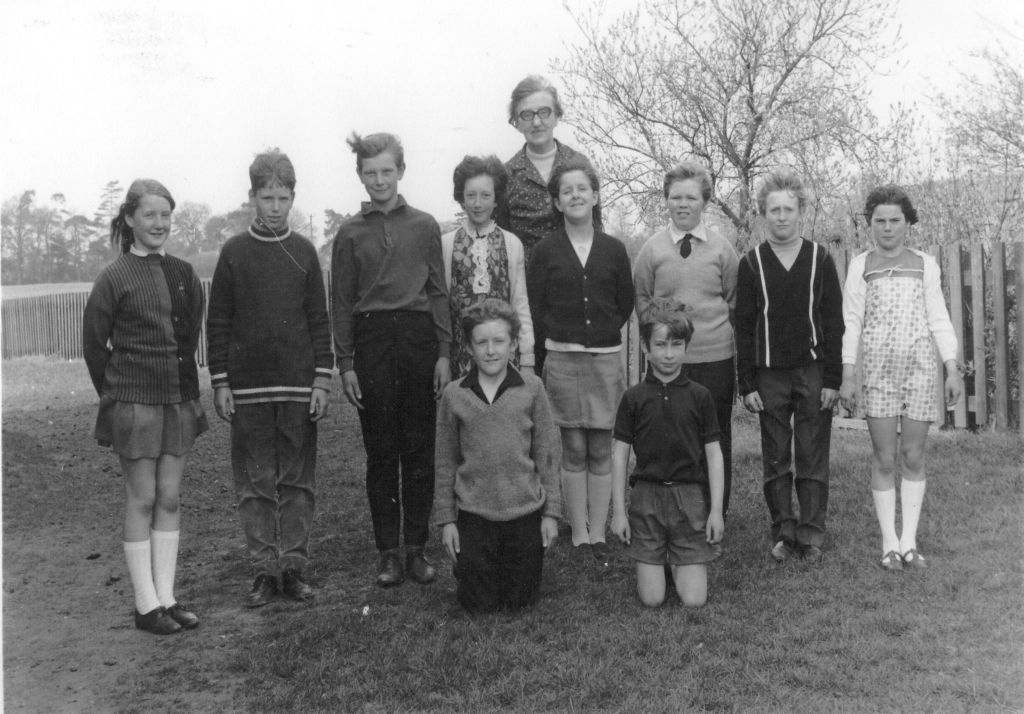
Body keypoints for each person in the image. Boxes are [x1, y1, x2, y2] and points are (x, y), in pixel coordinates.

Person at [207, 151, 333, 607]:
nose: (275, 206)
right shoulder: (233, 253)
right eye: (267, 197)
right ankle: (263, 570)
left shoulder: (304, 252)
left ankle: (294, 568)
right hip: (248, 389)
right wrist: (220, 381)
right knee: (255, 483)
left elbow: (319, 319)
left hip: (299, 387)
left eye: (283, 197)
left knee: (297, 481)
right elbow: (217, 320)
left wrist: (321, 380)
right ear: (252, 198)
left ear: (293, 197)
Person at [83, 178, 207, 635]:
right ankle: (144, 605)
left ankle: (167, 598)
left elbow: (189, 335)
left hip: (175, 399)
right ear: (130, 219)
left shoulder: (184, 273)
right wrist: (117, 396)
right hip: (133, 403)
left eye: (165, 215)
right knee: (144, 497)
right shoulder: (113, 277)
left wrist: (183, 389)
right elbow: (95, 347)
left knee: (170, 498)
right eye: (150, 214)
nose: (159, 223)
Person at [332, 132, 452, 587]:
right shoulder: (349, 233)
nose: (379, 180)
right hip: (373, 341)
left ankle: (417, 549)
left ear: (401, 171)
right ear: (359, 175)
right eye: (370, 172)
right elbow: (341, 302)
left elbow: (438, 292)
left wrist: (443, 352)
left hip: (418, 339)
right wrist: (346, 364)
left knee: (419, 450)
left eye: (387, 170)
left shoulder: (424, 225)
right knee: (381, 452)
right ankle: (387, 552)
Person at [839, 185, 962, 571]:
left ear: (908, 223)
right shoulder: (861, 266)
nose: (887, 228)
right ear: (869, 224)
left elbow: (938, 318)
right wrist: (848, 373)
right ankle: (888, 543)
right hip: (877, 372)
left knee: (912, 455)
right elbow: (851, 323)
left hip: (920, 371)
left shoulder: (925, 264)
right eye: (880, 221)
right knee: (884, 457)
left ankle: (909, 541)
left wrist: (952, 367)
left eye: (895, 220)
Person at [526, 157, 634, 568]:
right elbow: (537, 306)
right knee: (572, 444)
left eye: (582, 189)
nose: (575, 196)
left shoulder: (613, 249)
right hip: (562, 358)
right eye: (566, 191)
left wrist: (600, 332)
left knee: (601, 445)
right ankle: (579, 530)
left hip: (604, 359)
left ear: (595, 195)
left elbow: (623, 303)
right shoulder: (546, 250)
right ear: (556, 201)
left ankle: (600, 528)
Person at [735, 171, 844, 563]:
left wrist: (833, 378)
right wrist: (746, 383)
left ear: (801, 211)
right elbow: (743, 327)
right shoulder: (751, 264)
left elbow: (834, 322)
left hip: (812, 371)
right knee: (777, 455)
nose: (781, 217)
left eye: (789, 209)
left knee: (812, 452)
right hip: (769, 374)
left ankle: (811, 532)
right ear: (763, 214)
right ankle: (783, 530)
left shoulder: (820, 258)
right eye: (773, 210)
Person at [432, 299, 561, 612]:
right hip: (475, 513)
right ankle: (470, 564)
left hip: (524, 512)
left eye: (499, 341)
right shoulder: (454, 394)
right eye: (482, 342)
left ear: (513, 344)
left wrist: (551, 513)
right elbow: (445, 460)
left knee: (519, 602)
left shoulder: (533, 388)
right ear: (470, 347)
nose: (491, 351)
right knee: (478, 604)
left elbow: (546, 453)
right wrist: (447, 520)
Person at [633, 162, 739, 516]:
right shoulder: (651, 250)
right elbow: (643, 302)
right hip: (670, 362)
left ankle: (713, 514)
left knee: (715, 437)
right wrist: (662, 343)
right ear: (666, 200)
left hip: (715, 359)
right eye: (675, 197)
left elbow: (734, 301)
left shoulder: (723, 249)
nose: (683, 204)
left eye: (691, 197)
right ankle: (676, 513)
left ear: (704, 201)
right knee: (672, 436)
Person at [610, 300, 724, 607]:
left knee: (695, 600)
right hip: (647, 499)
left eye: (677, 344)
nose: (669, 354)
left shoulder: (700, 396)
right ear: (646, 346)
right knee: (652, 599)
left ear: (686, 346)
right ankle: (657, 556)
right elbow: (619, 455)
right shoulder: (633, 398)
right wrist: (619, 512)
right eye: (660, 345)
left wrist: (714, 511)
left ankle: (677, 556)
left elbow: (714, 454)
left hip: (689, 500)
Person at [441, 155, 534, 379]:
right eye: (470, 195)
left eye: (485, 195)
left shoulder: (511, 243)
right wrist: (442, 357)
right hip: (460, 358)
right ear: (461, 199)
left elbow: (520, 303)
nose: (477, 203)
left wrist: (528, 357)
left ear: (496, 200)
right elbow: (442, 307)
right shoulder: (447, 243)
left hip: (503, 356)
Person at [495, 74, 596, 266]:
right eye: (526, 114)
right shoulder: (505, 176)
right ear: (516, 122)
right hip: (529, 286)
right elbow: (501, 239)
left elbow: (595, 226)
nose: (536, 122)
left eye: (544, 112)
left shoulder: (579, 164)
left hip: (577, 281)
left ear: (557, 116)